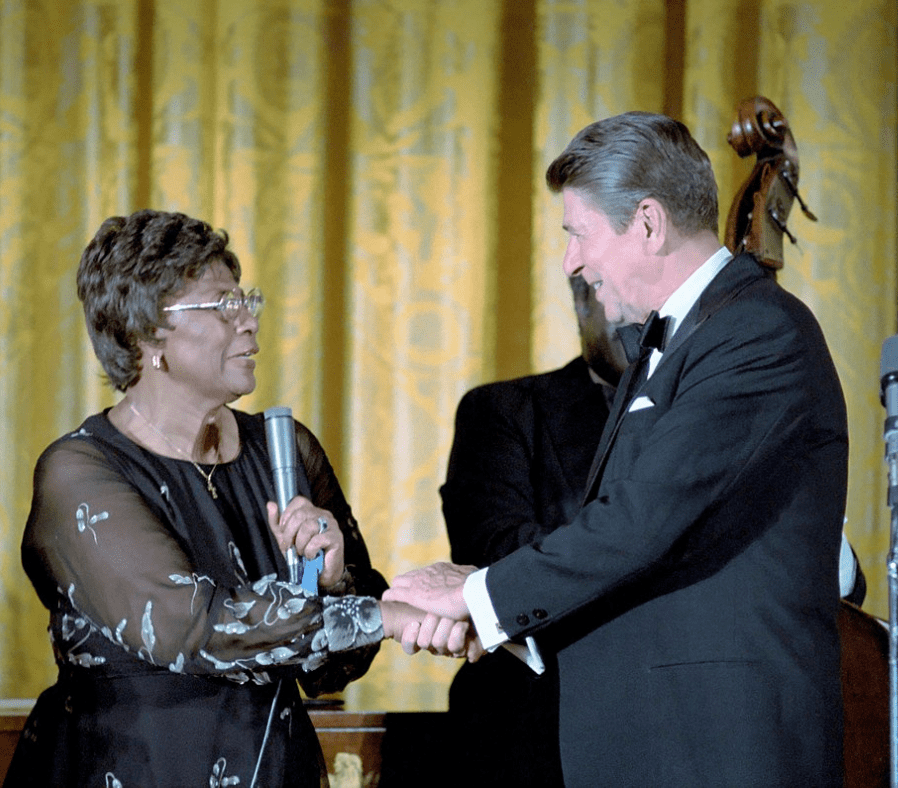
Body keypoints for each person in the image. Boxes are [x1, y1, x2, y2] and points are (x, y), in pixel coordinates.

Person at [386, 112, 849, 786]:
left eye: (578, 233)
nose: (572, 261)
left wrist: (479, 597)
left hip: (718, 752)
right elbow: (660, 561)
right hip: (661, 744)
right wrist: (498, 617)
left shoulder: (755, 334)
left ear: (649, 224)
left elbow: (638, 525)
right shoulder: (677, 343)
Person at [3, 209, 466, 788]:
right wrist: (390, 615)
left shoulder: (288, 450)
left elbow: (336, 671)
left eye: (247, 300)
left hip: (274, 769)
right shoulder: (79, 471)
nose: (248, 321)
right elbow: (193, 628)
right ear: (148, 332)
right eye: (223, 305)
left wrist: (333, 579)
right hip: (133, 769)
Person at [441, 275, 624, 787]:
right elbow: (501, 558)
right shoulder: (505, 411)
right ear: (580, 299)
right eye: (615, 295)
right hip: (538, 730)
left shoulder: (706, 421)